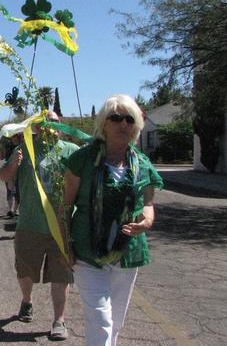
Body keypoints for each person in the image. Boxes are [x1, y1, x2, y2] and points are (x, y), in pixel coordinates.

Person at [63, 94, 163, 346]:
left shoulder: (142, 163)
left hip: (127, 252)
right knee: (100, 319)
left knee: (115, 321)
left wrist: (146, 222)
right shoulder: (82, 159)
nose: (123, 124)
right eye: (116, 118)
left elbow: (148, 204)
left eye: (130, 119)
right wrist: (64, 244)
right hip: (87, 252)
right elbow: (64, 206)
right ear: (103, 124)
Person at [0, 111, 79, 341]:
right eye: (44, 122)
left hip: (62, 227)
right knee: (25, 272)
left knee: (61, 276)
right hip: (30, 224)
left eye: (54, 122)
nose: (49, 126)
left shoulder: (71, 152)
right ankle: (27, 301)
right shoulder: (24, 150)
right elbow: (4, 177)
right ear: (36, 127)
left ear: (61, 126)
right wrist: (14, 163)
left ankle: (59, 321)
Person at [0, 134, 21, 218]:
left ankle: (16, 210)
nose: (13, 137)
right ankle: (11, 210)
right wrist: (0, 149)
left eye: (15, 135)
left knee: (18, 190)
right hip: (9, 169)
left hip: (20, 170)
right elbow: (0, 157)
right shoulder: (7, 145)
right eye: (12, 135)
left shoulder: (22, 145)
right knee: (10, 190)